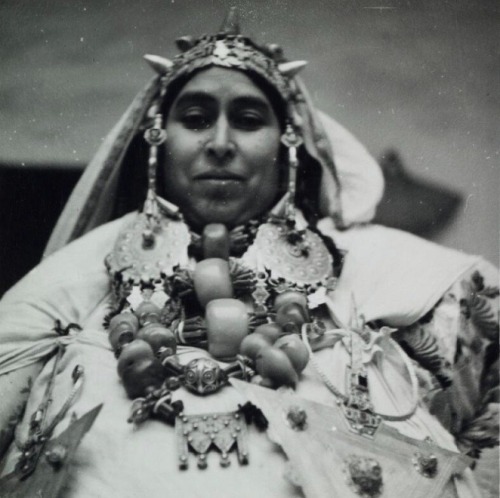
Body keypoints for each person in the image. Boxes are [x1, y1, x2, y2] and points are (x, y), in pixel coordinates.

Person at [0, 8, 497, 498]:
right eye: (195, 119)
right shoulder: (78, 275)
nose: (220, 142)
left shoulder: (384, 267)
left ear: (286, 144)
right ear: (157, 139)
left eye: (248, 120)